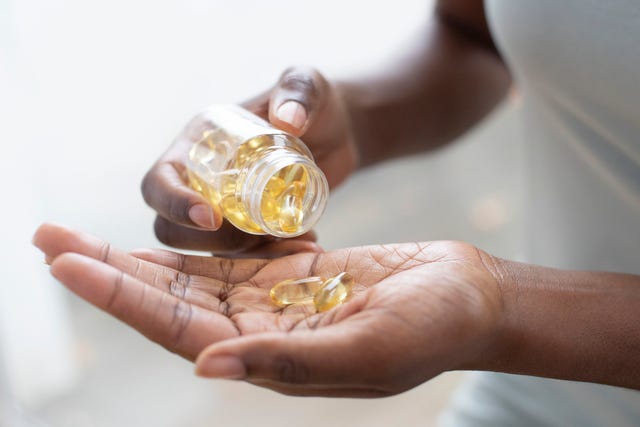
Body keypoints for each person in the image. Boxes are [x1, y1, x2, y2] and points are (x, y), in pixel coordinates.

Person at [33, 0, 640, 425]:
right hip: (534, 398)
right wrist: (358, 114)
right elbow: (477, 37)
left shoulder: (509, 315)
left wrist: (512, 309)